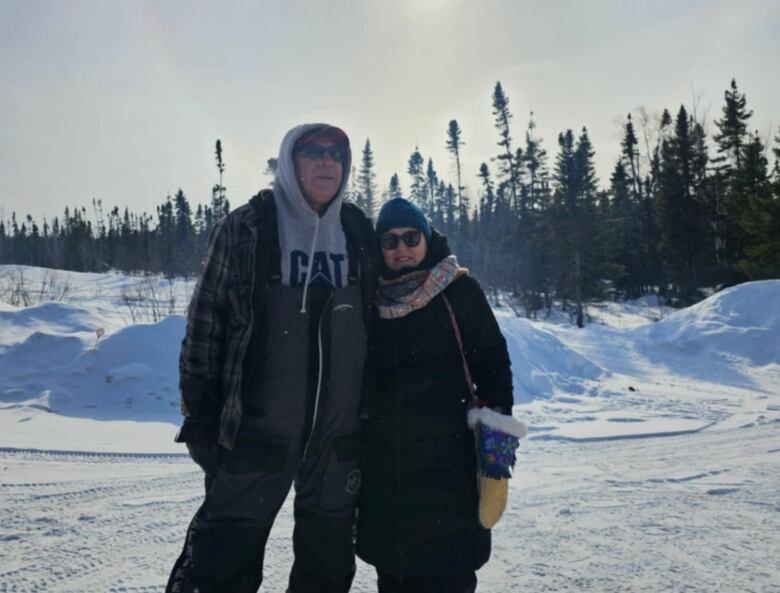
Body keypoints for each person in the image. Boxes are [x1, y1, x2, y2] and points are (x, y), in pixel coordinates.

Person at [166, 123, 377, 593]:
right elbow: (205, 322)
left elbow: (390, 309)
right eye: (314, 152)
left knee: (326, 571)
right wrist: (200, 414)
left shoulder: (358, 230)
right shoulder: (249, 226)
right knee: (220, 567)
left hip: (336, 441)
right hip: (256, 434)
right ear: (288, 162)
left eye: (336, 154)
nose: (327, 162)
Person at [356, 198, 514, 593]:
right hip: (386, 473)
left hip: (451, 471)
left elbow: (494, 371)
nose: (401, 248)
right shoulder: (368, 300)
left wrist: (497, 456)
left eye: (411, 237)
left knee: (450, 577)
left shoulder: (459, 291)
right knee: (395, 577)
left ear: (427, 239)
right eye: (389, 241)